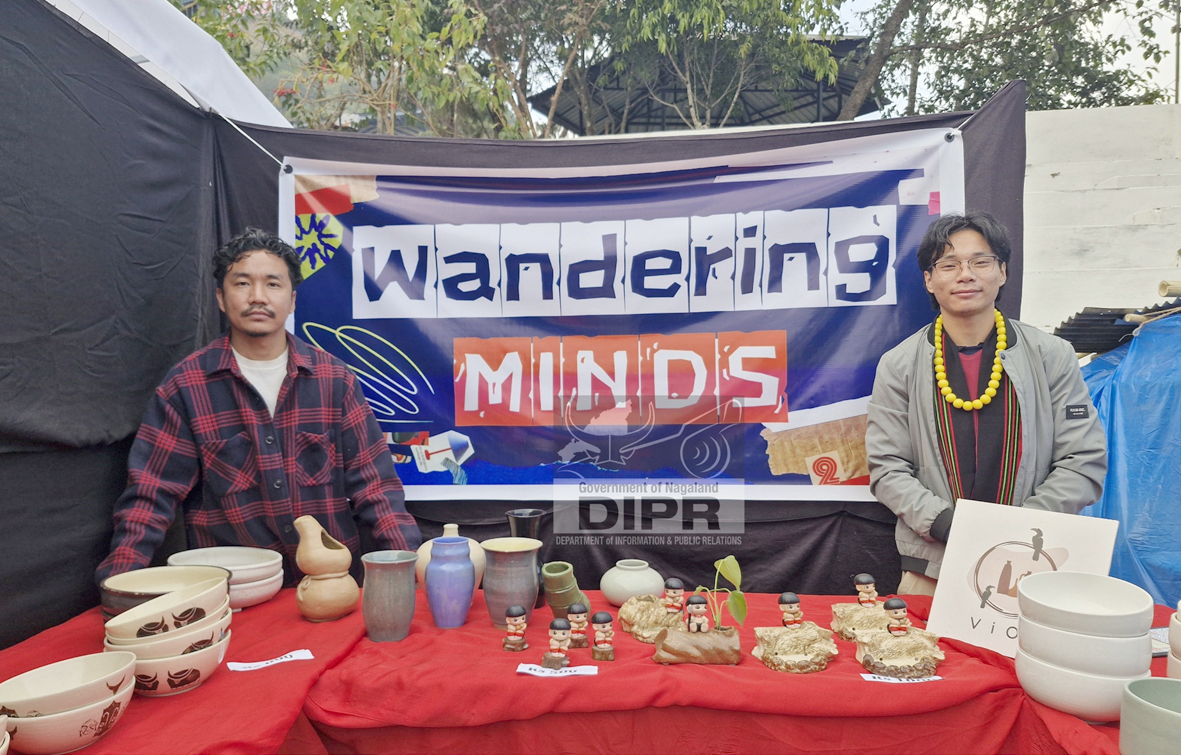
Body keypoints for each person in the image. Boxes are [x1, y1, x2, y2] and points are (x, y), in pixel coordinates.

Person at [96, 229, 421, 584]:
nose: (257, 297)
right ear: (221, 298)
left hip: (330, 584)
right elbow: (150, 495)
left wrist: (411, 573)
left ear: (292, 300)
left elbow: (376, 488)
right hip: (234, 589)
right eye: (242, 283)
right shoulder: (186, 386)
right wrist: (120, 584)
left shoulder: (334, 380)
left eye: (272, 284)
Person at [866, 212, 1106, 597]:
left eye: (981, 261)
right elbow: (886, 467)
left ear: (1003, 272)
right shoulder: (899, 365)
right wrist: (946, 525)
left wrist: (1022, 530)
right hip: (932, 568)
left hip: (1033, 567)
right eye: (949, 264)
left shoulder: (1052, 356)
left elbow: (1083, 459)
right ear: (929, 280)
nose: (966, 275)